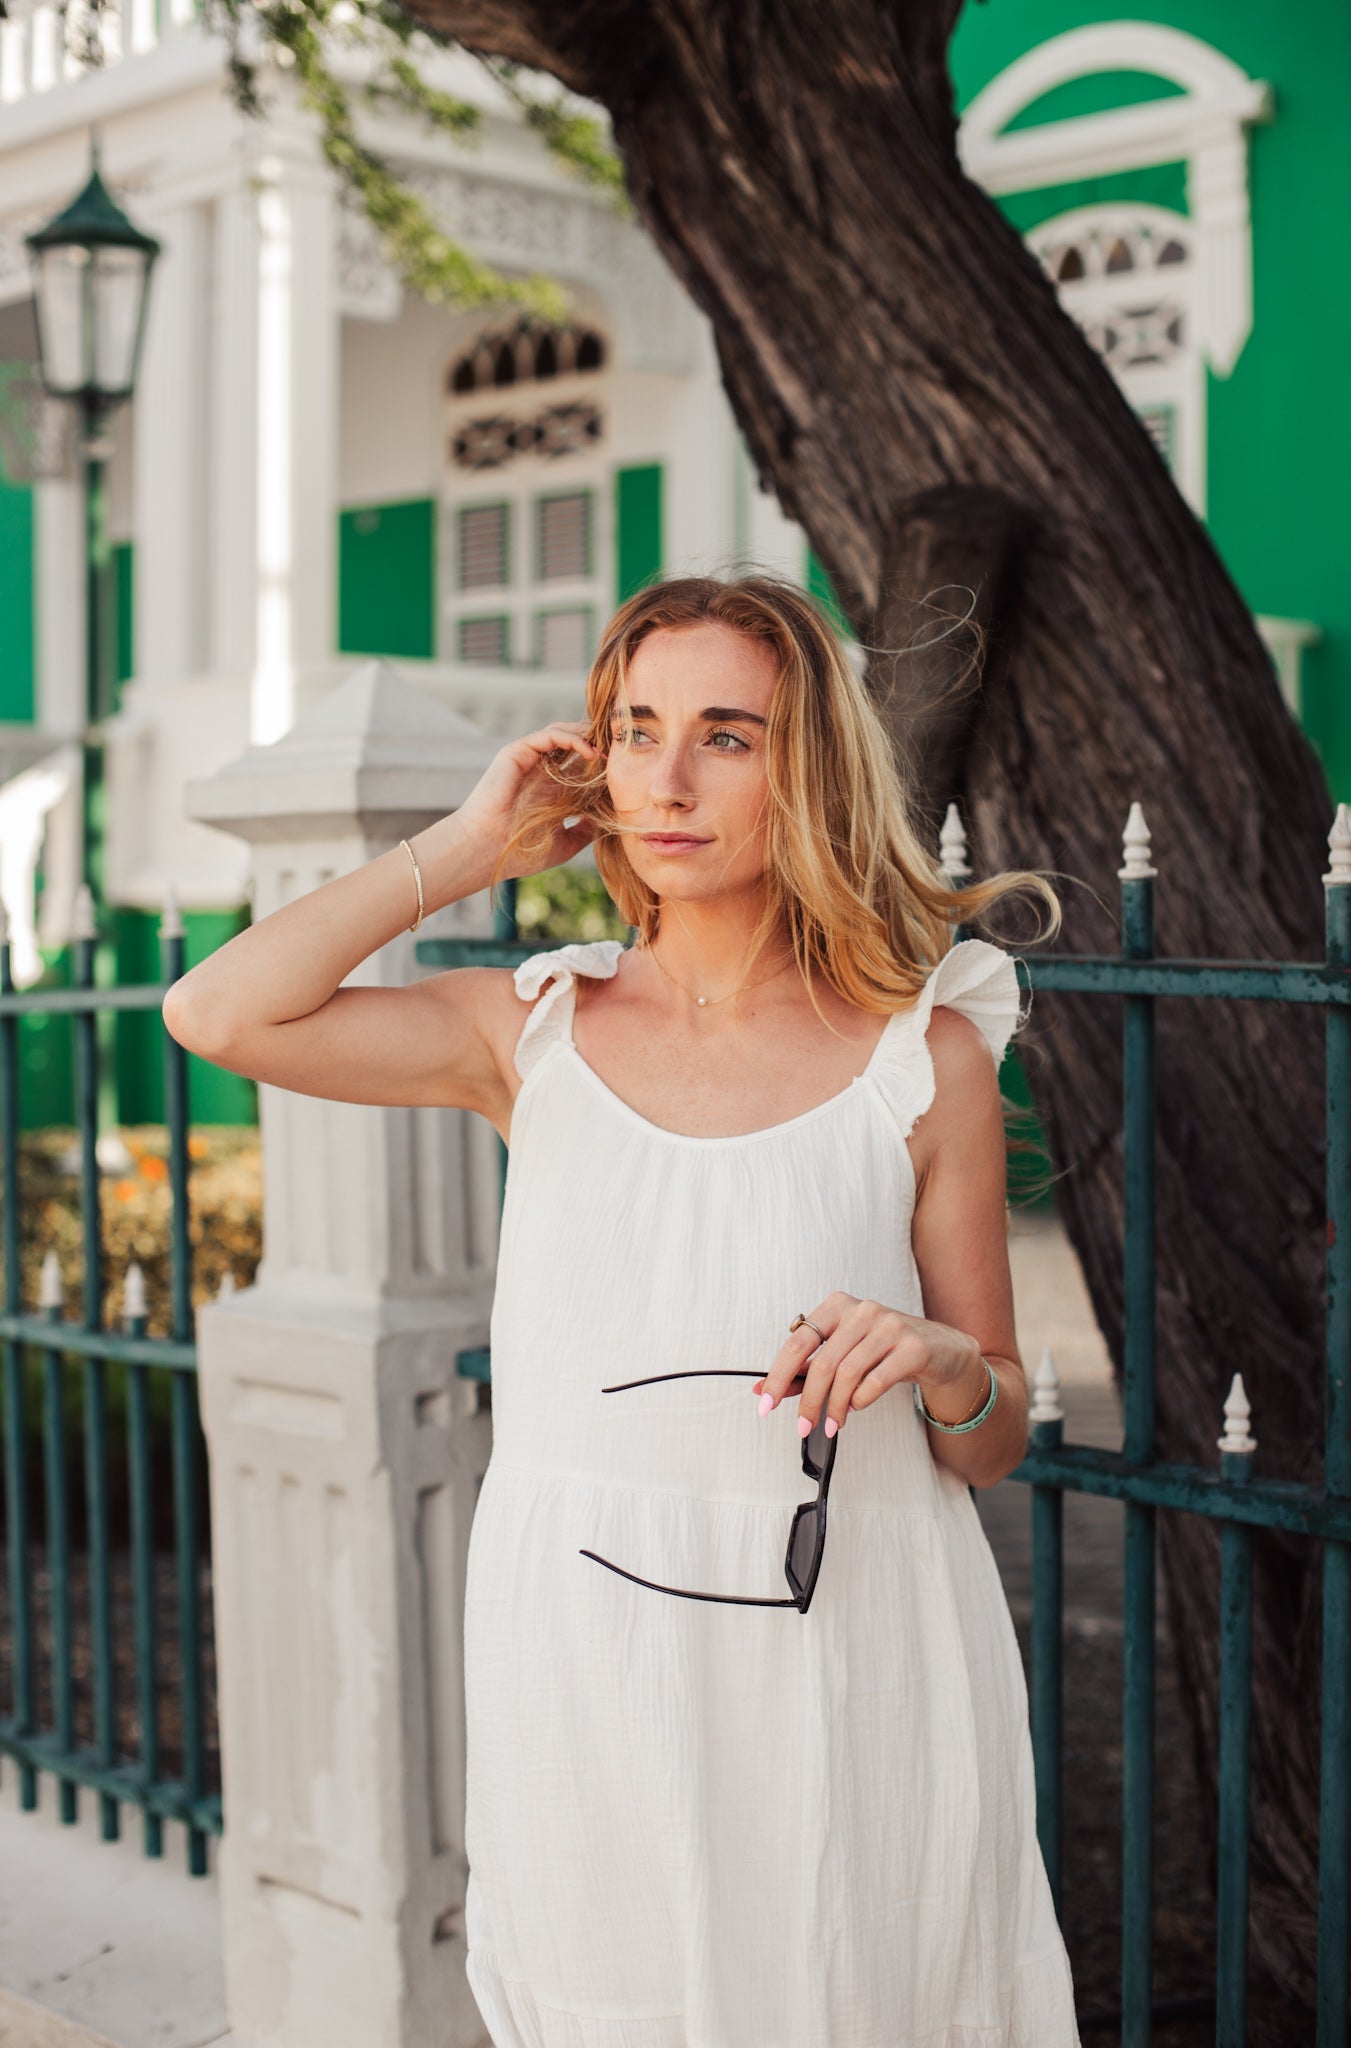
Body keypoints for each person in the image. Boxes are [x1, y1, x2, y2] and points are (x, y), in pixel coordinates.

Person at [165, 572, 1081, 2045]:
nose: (665, 777)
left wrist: (940, 1357)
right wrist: (467, 849)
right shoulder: (527, 1031)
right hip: (587, 1646)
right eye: (636, 728)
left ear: (809, 770)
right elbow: (217, 1013)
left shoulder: (924, 1060)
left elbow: (989, 1440)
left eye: (726, 734)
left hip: (851, 1641)